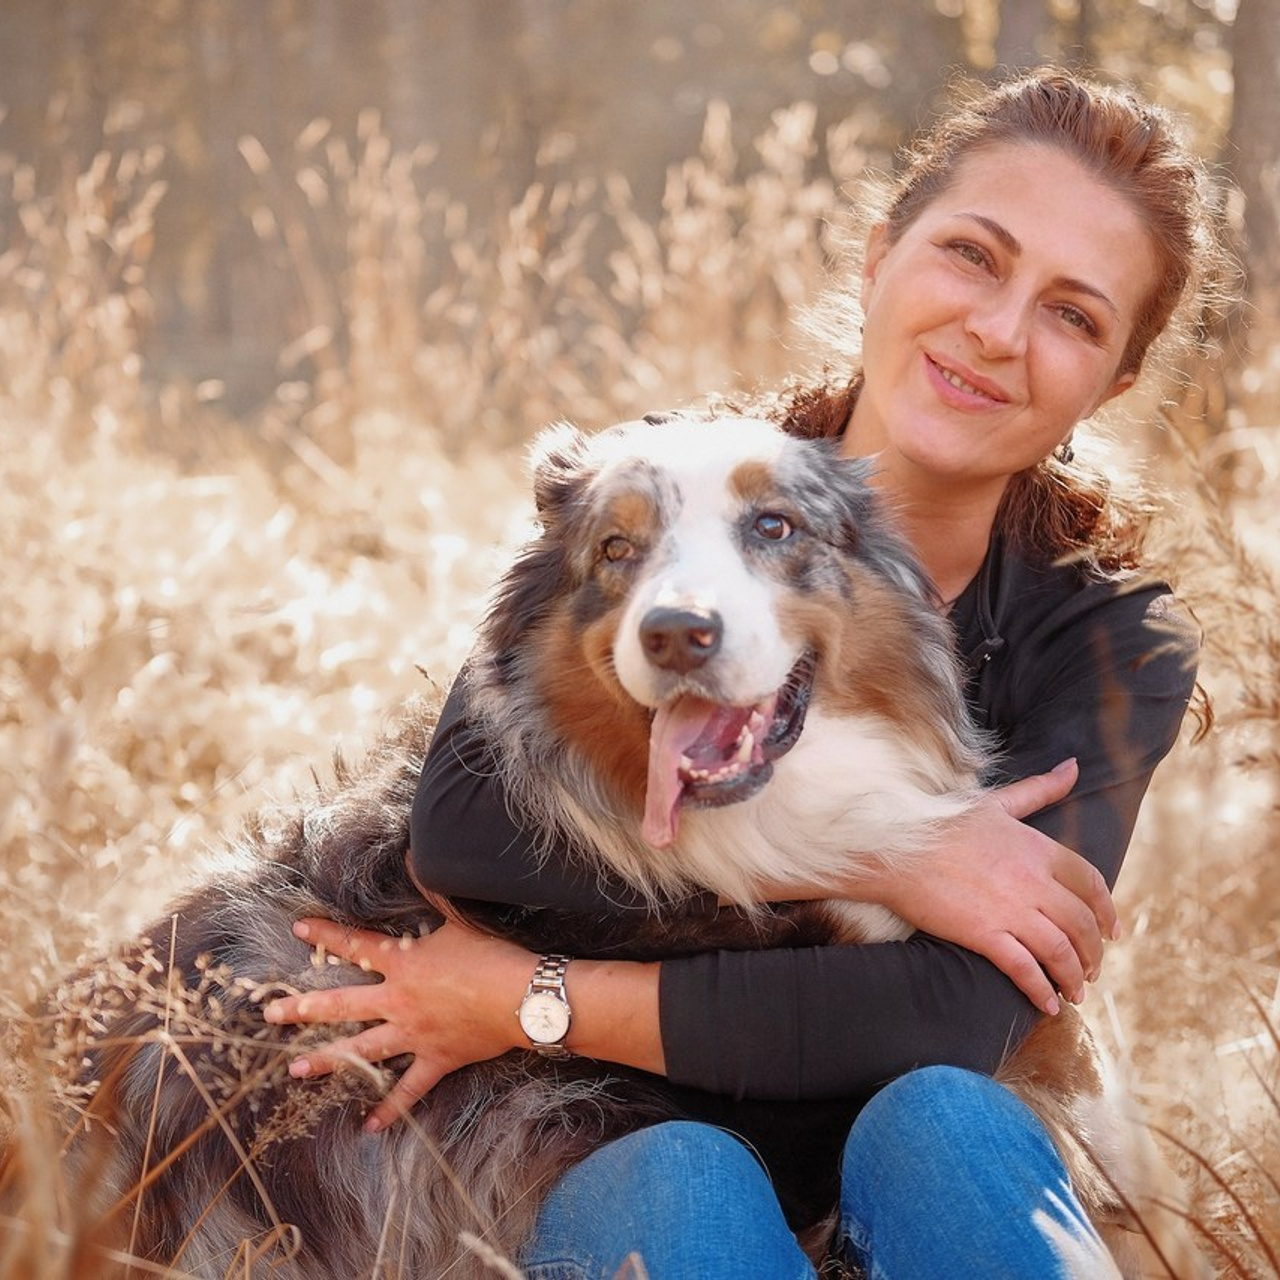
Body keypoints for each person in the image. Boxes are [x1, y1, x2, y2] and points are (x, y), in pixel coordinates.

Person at [263, 68, 1222, 1277]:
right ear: (877, 257)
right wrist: (896, 856)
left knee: (948, 1120)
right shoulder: (670, 476)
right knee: (680, 1175)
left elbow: (957, 1016)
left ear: (1113, 380)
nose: (995, 329)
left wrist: (530, 994)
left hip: (895, 1151)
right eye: (971, 255)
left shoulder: (1106, 637)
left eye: (1072, 315)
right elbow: (466, 835)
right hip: (613, 1149)